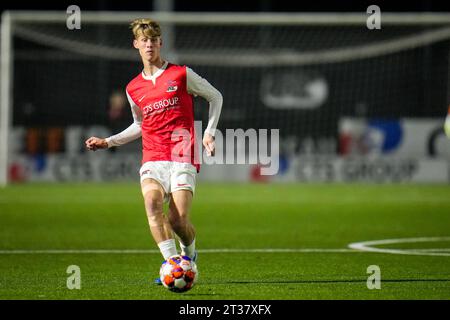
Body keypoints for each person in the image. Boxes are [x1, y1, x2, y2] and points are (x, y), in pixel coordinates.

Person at [85, 18, 223, 284]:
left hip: (183, 154)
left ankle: (188, 255)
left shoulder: (181, 74)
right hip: (153, 156)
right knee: (151, 203)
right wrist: (108, 141)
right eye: (143, 40)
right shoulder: (133, 88)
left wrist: (208, 133)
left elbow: (216, 96)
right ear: (136, 44)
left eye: (153, 40)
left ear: (160, 43)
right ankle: (172, 265)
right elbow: (139, 124)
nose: (149, 44)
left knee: (178, 221)